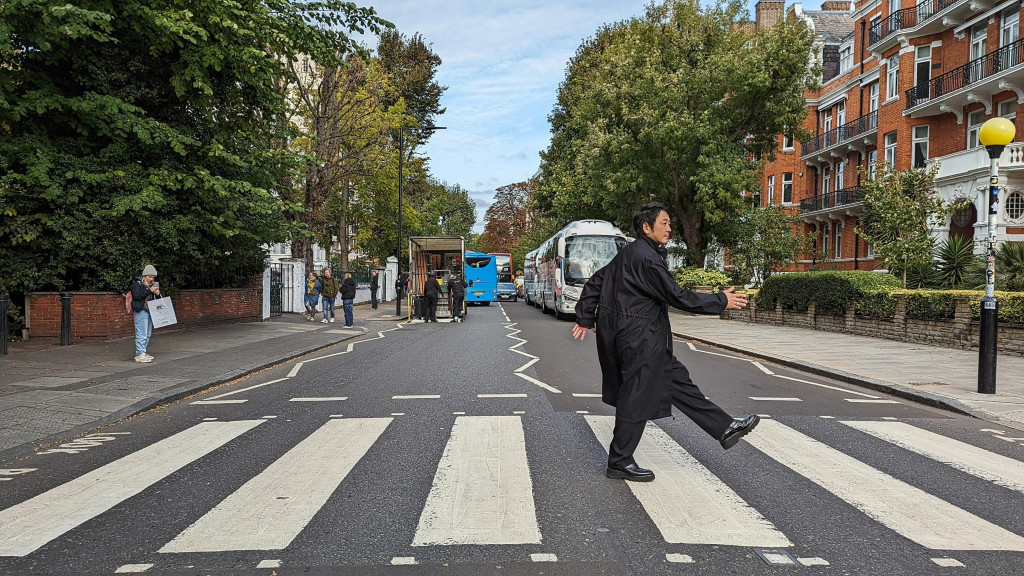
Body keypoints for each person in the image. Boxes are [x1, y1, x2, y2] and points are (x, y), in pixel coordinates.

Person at [572, 202, 756, 483]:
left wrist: (586, 317)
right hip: (639, 339)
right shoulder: (646, 259)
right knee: (635, 398)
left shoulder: (632, 253)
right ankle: (619, 461)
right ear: (647, 227)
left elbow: (597, 281)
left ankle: (724, 427)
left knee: (678, 381)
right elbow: (678, 296)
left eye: (670, 223)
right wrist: (721, 300)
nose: (670, 228)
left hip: (639, 337)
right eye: (665, 223)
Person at [130, 264, 161, 362]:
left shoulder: (152, 285)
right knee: (141, 333)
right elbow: (136, 296)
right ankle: (140, 354)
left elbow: (158, 300)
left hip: (150, 311)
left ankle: (143, 351)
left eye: (153, 277)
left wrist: (157, 294)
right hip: (141, 310)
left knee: (147, 334)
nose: (151, 279)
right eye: (149, 276)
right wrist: (149, 291)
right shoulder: (137, 284)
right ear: (144, 276)